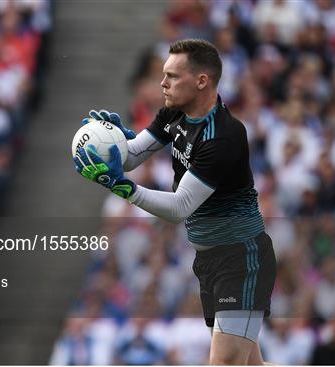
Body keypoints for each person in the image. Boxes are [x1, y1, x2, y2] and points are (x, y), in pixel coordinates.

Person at [74, 39, 276, 365]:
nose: (163, 83)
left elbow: (181, 206)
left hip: (242, 259)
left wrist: (125, 189)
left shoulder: (224, 136)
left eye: (172, 76)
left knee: (224, 363)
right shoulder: (174, 112)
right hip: (211, 259)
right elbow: (134, 154)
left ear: (201, 81)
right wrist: (110, 140)